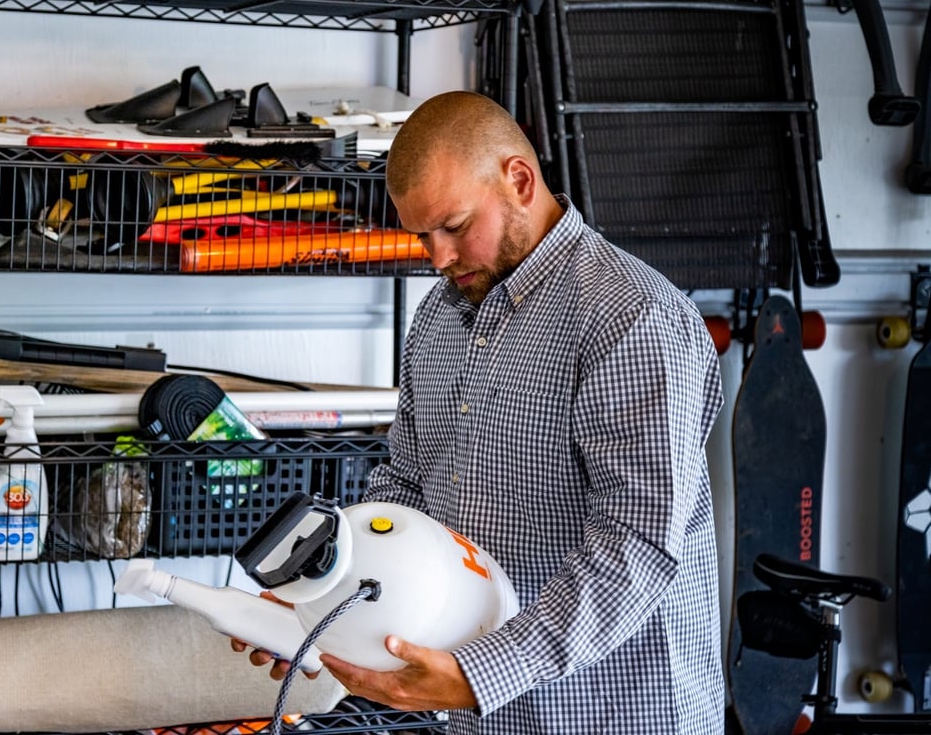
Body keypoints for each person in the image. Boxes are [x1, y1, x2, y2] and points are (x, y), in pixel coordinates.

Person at [234, 90, 725, 734]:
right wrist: (322, 605)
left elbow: (637, 546)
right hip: (471, 716)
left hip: (612, 712)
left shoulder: (629, 318)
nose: (437, 258)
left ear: (518, 180)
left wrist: (481, 674)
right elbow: (403, 492)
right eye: (423, 236)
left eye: (456, 226)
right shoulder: (440, 318)